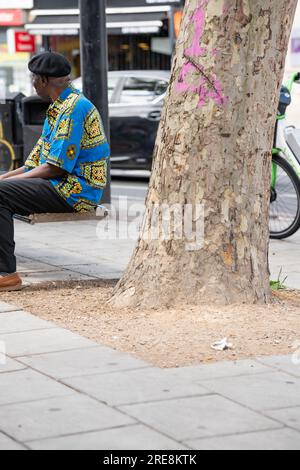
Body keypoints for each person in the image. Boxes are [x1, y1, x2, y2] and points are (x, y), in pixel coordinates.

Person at [0, 51, 110, 292]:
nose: (32, 84)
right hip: (61, 184)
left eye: (32, 79)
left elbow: (54, 168)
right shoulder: (58, 108)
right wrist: (4, 178)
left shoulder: (74, 109)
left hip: (76, 191)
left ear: (42, 80)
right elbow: (33, 164)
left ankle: (6, 274)